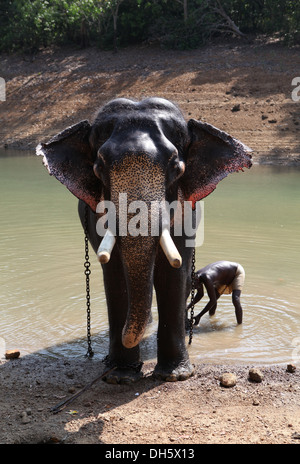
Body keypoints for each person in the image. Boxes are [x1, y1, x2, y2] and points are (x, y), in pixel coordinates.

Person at [187, 261, 245, 325]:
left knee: (235, 299)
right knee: (215, 295)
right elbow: (200, 294)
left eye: (194, 286)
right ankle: (211, 317)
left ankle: (239, 325)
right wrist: (187, 307)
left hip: (236, 272)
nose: (194, 288)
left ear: (196, 280)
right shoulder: (196, 276)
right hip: (224, 277)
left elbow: (212, 300)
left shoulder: (206, 278)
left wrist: (199, 316)